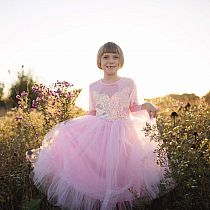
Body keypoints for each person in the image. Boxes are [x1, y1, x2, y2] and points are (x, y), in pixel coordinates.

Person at [27, 42, 170, 210]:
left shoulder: (129, 83)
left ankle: (118, 203)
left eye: (115, 57)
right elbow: (92, 112)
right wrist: (73, 127)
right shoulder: (93, 86)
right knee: (101, 172)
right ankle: (103, 202)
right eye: (106, 57)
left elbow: (134, 108)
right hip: (100, 133)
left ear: (121, 61)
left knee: (122, 171)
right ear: (99, 61)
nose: (111, 60)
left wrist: (147, 105)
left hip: (123, 132)